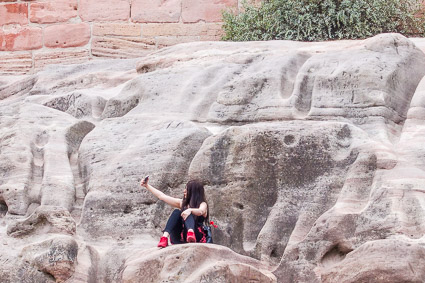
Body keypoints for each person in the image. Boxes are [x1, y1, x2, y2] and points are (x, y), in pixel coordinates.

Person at [140, 177, 209, 248]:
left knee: (188, 212)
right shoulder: (182, 203)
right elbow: (162, 196)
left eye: (187, 189)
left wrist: (190, 210)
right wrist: (147, 186)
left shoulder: (203, 204)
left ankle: (191, 232)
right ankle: (164, 237)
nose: (184, 191)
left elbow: (201, 211)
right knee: (177, 212)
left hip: (197, 236)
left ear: (193, 192)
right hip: (181, 237)